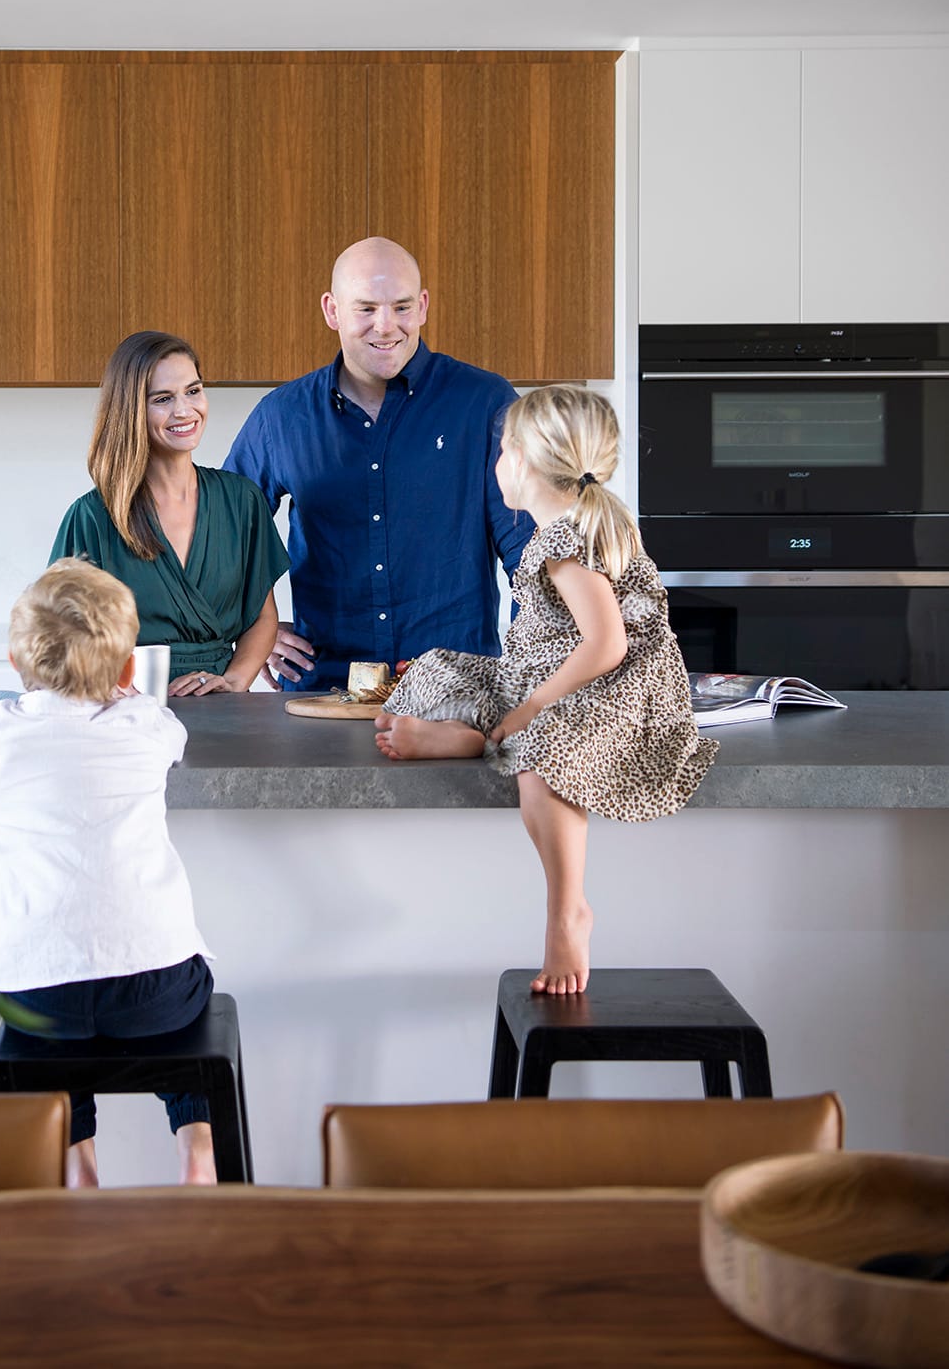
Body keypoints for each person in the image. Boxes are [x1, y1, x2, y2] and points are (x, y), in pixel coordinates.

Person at [374, 385, 718, 998]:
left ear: (528, 463)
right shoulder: (567, 528)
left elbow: (607, 646)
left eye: (503, 450)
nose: (497, 463)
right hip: (548, 671)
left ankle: (567, 912)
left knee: (544, 750)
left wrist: (532, 706)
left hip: (610, 686)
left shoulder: (567, 544)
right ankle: (474, 734)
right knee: (433, 670)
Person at [0, 558, 218, 1188]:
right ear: (128, 669)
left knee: (57, 1036)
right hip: (154, 990)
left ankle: (78, 1166)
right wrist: (129, 697)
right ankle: (196, 1143)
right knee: (189, 1000)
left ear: (15, 663)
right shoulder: (146, 724)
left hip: (32, 992)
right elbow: (172, 737)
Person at [224, 238, 533, 691]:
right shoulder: (282, 416)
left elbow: (531, 554)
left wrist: (527, 677)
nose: (385, 326)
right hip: (323, 692)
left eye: (401, 307)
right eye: (366, 309)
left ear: (422, 306)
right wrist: (254, 628)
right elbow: (222, 538)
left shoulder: (486, 403)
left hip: (455, 692)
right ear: (332, 311)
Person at [51, 331, 289, 695]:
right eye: (163, 399)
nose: (184, 410)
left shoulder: (241, 500)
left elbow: (262, 617)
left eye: (193, 391)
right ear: (130, 409)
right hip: (123, 709)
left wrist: (234, 682)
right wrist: (117, 690)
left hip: (222, 710)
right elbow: (60, 635)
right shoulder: (91, 518)